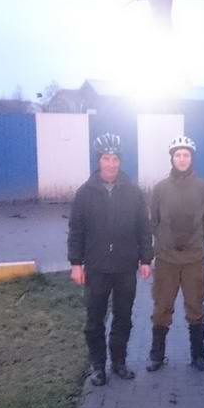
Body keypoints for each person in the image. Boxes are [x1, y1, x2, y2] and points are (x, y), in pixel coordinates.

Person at [68, 133, 153, 386]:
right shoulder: (84, 193)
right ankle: (98, 366)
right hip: (96, 267)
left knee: (123, 318)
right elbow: (76, 230)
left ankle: (119, 362)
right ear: (99, 160)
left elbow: (143, 228)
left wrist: (145, 259)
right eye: (106, 158)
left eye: (115, 159)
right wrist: (76, 264)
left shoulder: (133, 192)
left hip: (125, 266)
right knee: (94, 320)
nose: (111, 164)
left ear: (120, 161)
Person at [147, 136, 204, 372]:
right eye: (178, 155)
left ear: (191, 158)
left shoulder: (203, 188)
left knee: (196, 307)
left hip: (194, 259)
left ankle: (198, 355)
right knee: (162, 307)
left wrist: (195, 241)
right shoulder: (160, 189)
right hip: (166, 260)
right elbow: (153, 221)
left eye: (186, 155)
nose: (182, 159)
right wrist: (165, 241)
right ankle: (157, 355)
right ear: (172, 159)